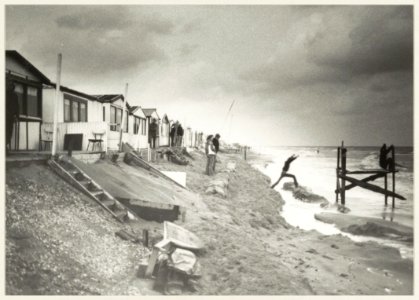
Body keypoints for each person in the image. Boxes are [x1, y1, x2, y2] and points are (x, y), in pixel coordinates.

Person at [6, 80, 19, 153]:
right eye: (9, 85)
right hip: (5, 117)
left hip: (11, 117)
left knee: (9, 132)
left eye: (12, 86)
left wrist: (16, 116)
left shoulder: (15, 95)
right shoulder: (4, 94)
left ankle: (5, 146)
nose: (10, 87)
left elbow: (17, 106)